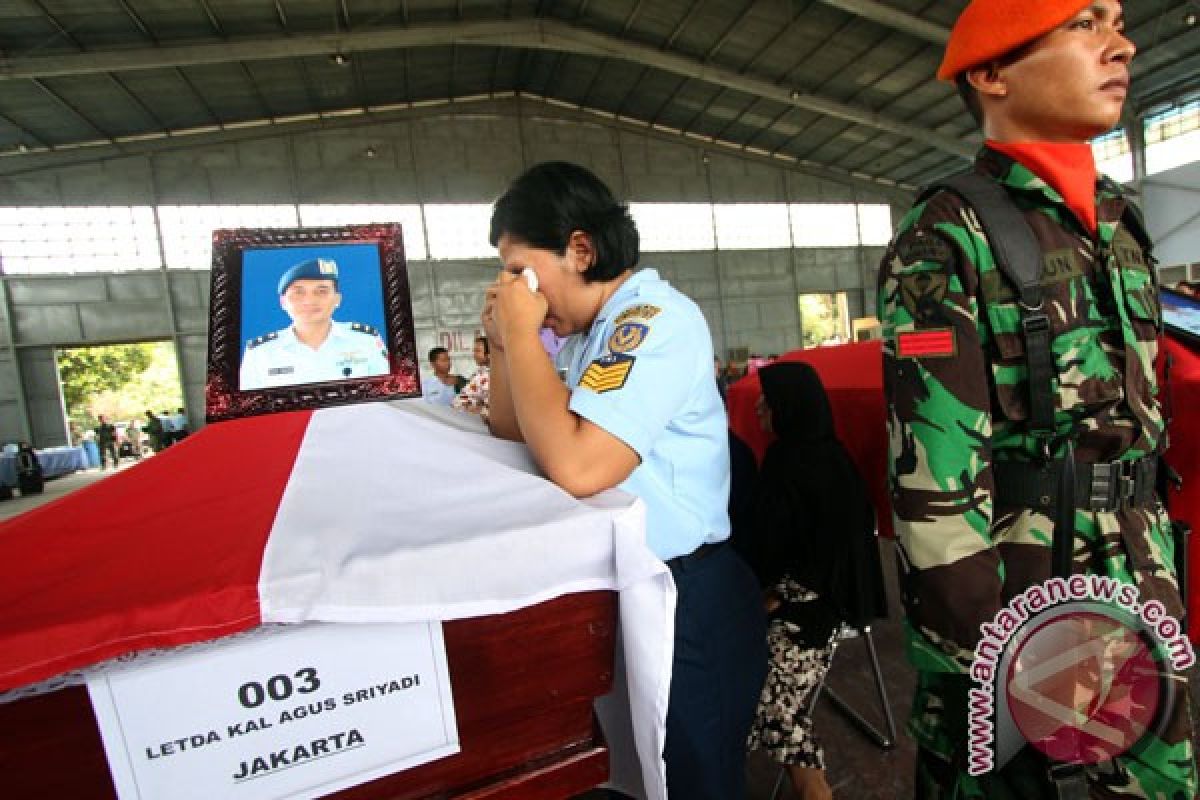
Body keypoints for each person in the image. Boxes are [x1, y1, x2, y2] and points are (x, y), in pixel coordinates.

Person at [877, 1, 1195, 797]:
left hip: (1142, 573)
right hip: (1029, 609)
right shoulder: (946, 237)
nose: (1122, 44)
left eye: (1117, 20)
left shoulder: (1121, 221)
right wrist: (1000, 669)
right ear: (992, 73)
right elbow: (935, 500)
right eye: (1085, 24)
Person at [481, 161, 767, 799]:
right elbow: (513, 429)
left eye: (520, 271)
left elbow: (579, 468)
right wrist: (505, 344)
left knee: (697, 781)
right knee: (644, 777)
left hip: (687, 594)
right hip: (635, 591)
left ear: (580, 249)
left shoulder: (652, 324)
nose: (513, 291)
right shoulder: (592, 335)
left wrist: (524, 334)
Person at [744, 362, 886, 800]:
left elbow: (771, 549)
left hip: (816, 612)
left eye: (767, 402)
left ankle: (814, 789)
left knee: (763, 706)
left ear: (788, 407)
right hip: (833, 602)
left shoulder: (789, 462)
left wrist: (773, 597)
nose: (758, 409)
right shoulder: (828, 454)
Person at [240, 257, 390, 390]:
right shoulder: (260, 353)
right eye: (299, 292)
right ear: (283, 302)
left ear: (337, 299)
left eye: (321, 291)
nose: (309, 301)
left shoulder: (366, 341)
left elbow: (386, 392)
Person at [454, 336, 491, 417]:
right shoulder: (480, 372)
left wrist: (479, 407)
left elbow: (461, 401)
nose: (474, 355)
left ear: (489, 355)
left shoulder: (485, 374)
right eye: (474, 351)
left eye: (478, 351)